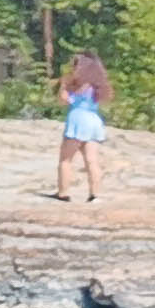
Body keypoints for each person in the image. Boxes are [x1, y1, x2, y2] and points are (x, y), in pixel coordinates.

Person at [54, 51, 114, 203]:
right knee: (92, 161)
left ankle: (63, 193)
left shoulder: (77, 84)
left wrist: (63, 85)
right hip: (94, 120)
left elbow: (64, 100)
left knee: (65, 160)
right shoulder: (97, 86)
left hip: (78, 119)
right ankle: (95, 195)